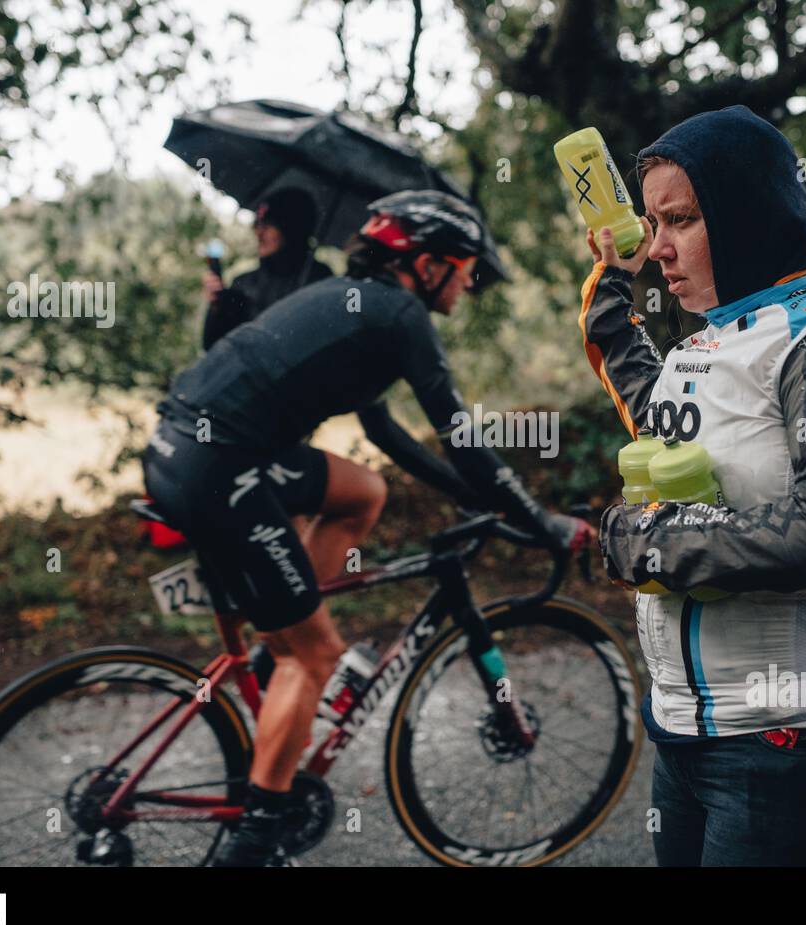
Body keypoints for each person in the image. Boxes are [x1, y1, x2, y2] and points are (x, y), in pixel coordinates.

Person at [144, 189, 593, 866]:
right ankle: (254, 842)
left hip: (192, 451)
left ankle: (283, 643)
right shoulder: (398, 313)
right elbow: (462, 437)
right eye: (465, 264)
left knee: (362, 492)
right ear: (427, 263)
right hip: (219, 469)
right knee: (317, 656)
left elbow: (390, 437)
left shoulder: (363, 309)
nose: (471, 279)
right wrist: (540, 521)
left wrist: (497, 509)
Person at [578, 106, 806, 866]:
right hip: (692, 739)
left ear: (747, 212)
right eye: (649, 223)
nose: (657, 248)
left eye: (678, 220)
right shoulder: (717, 338)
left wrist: (636, 542)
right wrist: (611, 288)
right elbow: (654, 411)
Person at [200, 188, 333, 349]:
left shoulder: (321, 282)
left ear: (292, 229)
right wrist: (216, 308)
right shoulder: (243, 283)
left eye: (268, 225)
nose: (259, 233)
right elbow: (213, 346)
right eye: (257, 224)